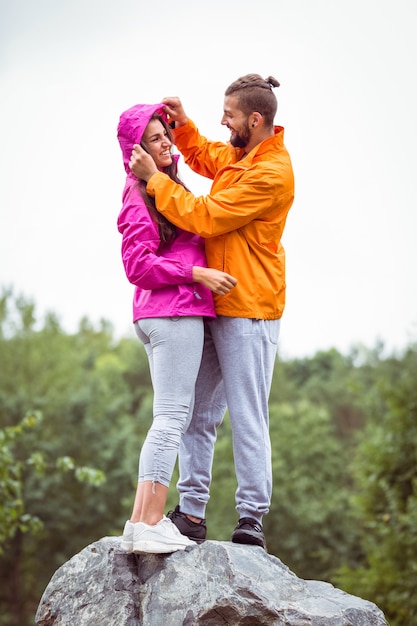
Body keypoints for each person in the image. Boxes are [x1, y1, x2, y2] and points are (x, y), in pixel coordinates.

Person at [129, 74, 295, 550]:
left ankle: (251, 519)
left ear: (255, 120)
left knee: (247, 415)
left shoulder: (271, 173)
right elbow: (207, 155)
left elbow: (206, 216)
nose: (224, 121)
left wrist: (155, 180)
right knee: (198, 414)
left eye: (231, 116)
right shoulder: (242, 156)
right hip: (212, 306)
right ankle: (192, 513)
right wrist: (181, 127)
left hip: (251, 309)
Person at [117, 103, 237, 554]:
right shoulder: (137, 193)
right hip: (172, 312)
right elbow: (137, 264)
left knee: (175, 418)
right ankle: (149, 521)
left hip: (170, 313)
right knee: (170, 419)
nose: (166, 142)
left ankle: (140, 522)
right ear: (136, 151)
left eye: (166, 134)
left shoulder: (163, 188)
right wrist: (197, 275)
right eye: (154, 138)